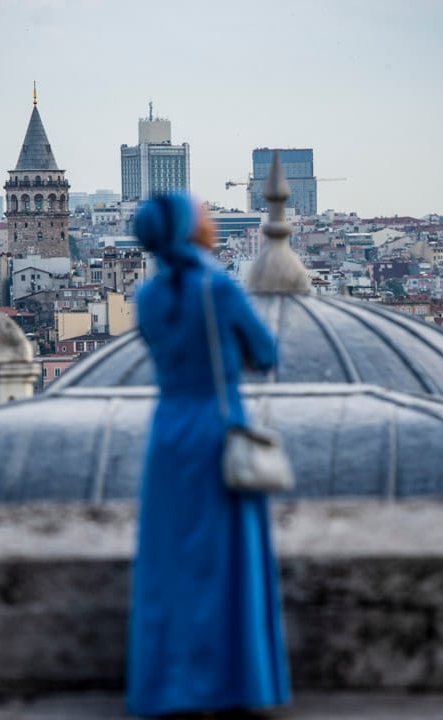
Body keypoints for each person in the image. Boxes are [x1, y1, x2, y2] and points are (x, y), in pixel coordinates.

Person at [127, 193, 291, 718]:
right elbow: (264, 354)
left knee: (171, 561)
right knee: (228, 562)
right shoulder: (216, 286)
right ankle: (234, 683)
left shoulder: (148, 296)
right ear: (187, 229)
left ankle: (171, 687)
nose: (212, 219)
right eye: (202, 214)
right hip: (219, 430)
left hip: (169, 431)